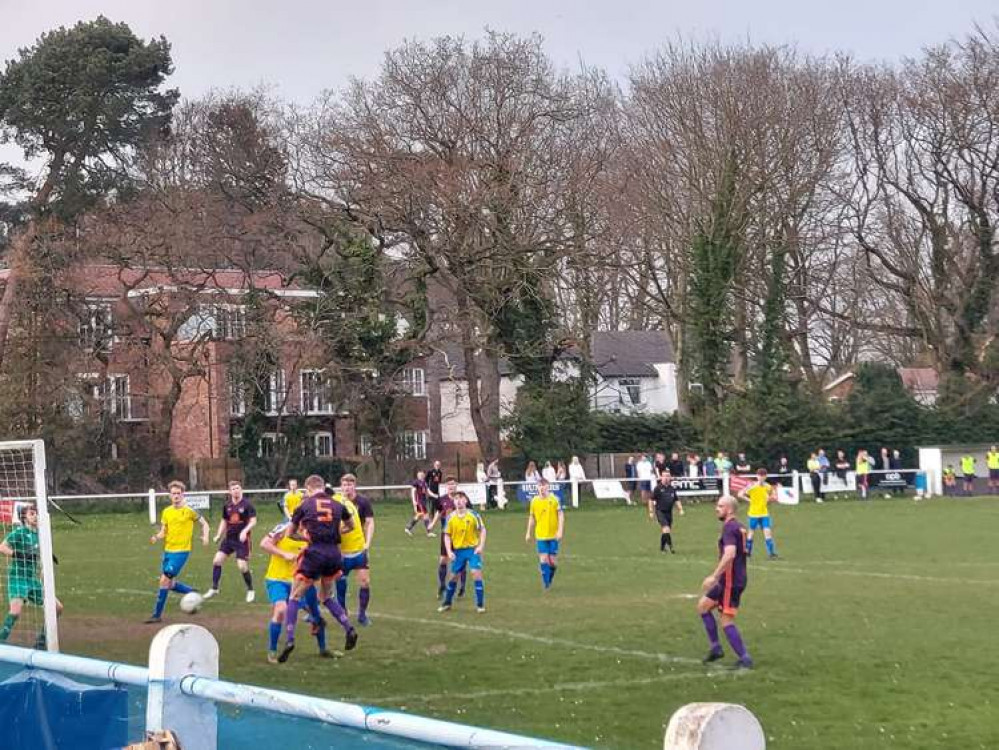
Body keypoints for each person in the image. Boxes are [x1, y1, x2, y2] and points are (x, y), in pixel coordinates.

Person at [278, 474, 357, 663]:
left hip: (314, 554)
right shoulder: (338, 504)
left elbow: (290, 533)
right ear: (322, 487)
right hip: (333, 554)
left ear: (308, 488)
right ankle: (349, 628)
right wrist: (336, 532)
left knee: (295, 596)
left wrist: (306, 538)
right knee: (327, 597)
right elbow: (351, 526)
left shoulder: (304, 505)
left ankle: (289, 640)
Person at [260, 521, 328, 662]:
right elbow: (264, 543)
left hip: (300, 581)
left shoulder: (313, 532)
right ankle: (272, 651)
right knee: (280, 610)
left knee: (316, 615)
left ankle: (323, 649)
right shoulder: (283, 528)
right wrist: (283, 554)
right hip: (277, 579)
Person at [697, 495, 752, 669]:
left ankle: (745, 659)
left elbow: (730, 554)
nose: (716, 508)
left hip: (730, 580)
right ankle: (716, 648)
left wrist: (714, 576)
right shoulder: (740, 527)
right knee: (703, 606)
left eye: (720, 506)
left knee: (726, 619)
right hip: (732, 578)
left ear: (729, 509)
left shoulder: (729, 528)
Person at [144, 482, 210, 624]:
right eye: (173, 494)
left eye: (178, 493)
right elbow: (164, 531)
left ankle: (157, 615)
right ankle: (192, 592)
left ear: (183, 495)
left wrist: (205, 536)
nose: (176, 496)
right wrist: (157, 536)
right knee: (171, 584)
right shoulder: (167, 512)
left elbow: (204, 523)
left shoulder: (189, 511)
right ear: (170, 496)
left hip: (181, 552)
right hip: (168, 551)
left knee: (164, 580)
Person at [0, 504, 64, 646]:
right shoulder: (20, 532)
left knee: (58, 608)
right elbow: (2, 547)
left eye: (37, 513)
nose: (35, 516)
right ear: (24, 517)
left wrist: (48, 561)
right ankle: (1, 641)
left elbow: (40, 555)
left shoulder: (41, 536)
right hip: (18, 579)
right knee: (15, 611)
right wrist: (17, 554)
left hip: (32, 580)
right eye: (32, 513)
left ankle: (41, 642)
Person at [204, 480, 257, 602]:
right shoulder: (227, 505)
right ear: (230, 491)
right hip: (229, 539)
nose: (236, 490)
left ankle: (250, 590)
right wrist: (218, 535)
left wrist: (245, 531)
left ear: (241, 489)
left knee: (242, 567)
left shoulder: (247, 505)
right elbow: (224, 521)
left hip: (242, 541)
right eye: (233, 489)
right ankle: (214, 588)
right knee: (217, 561)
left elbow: (253, 521)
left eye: (237, 488)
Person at [334, 474, 375, 626]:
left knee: (365, 582)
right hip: (341, 551)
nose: (347, 488)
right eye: (344, 485)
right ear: (341, 486)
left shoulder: (362, 502)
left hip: (359, 549)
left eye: (350, 485)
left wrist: (367, 544)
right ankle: (342, 609)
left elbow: (370, 522)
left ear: (354, 486)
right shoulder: (336, 502)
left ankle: (362, 614)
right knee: (340, 581)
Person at [438, 492, 486, 613]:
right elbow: (447, 535)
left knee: (476, 573)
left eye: (461, 498)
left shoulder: (473, 515)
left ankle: (480, 605)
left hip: (472, 549)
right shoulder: (451, 517)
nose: (458, 501)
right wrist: (449, 551)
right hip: (458, 551)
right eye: (456, 499)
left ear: (465, 501)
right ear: (454, 502)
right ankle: (447, 603)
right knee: (454, 577)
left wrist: (480, 546)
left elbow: (482, 530)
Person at [428, 476, 465, 599]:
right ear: (446, 486)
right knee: (443, 560)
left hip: (460, 534)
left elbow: (469, 513)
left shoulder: (462, 498)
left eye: (453, 484)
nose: (451, 486)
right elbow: (439, 512)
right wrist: (433, 524)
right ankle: (442, 585)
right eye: (449, 484)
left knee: (460, 560)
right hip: (446, 534)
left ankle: (462, 586)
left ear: (456, 485)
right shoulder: (442, 499)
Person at [526, 478, 563, 590]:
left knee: (552, 561)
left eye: (544, 486)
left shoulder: (554, 500)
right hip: (541, 535)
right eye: (540, 486)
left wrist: (560, 530)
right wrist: (528, 532)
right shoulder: (534, 501)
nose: (542, 489)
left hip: (553, 535)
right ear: (537, 488)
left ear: (548, 487)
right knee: (543, 558)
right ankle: (546, 584)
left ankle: (549, 579)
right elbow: (532, 517)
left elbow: (561, 515)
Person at [737, 469, 778, 560]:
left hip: (764, 513)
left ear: (765, 476)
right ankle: (748, 552)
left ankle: (771, 554)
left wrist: (770, 499)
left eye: (763, 476)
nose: (761, 478)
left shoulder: (767, 486)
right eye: (760, 476)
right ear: (757, 476)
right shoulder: (752, 486)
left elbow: (774, 496)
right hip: (754, 514)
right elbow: (740, 494)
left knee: (768, 533)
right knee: (751, 532)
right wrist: (749, 500)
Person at [649, 471, 683, 553]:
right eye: (664, 476)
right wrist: (651, 511)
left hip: (669, 512)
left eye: (668, 476)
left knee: (666, 531)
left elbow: (676, 499)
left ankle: (662, 548)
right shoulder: (658, 488)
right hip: (660, 511)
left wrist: (680, 509)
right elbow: (651, 500)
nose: (666, 478)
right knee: (666, 529)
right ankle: (671, 548)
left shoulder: (671, 488)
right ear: (661, 477)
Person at [406, 470, 435, 537]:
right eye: (419, 475)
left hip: (423, 501)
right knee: (426, 515)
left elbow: (428, 492)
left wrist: (435, 495)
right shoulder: (416, 482)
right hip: (420, 502)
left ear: (424, 475)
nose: (421, 476)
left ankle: (408, 528)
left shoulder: (424, 483)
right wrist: (414, 501)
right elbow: (413, 491)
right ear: (417, 476)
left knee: (418, 515)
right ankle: (429, 532)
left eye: (422, 475)